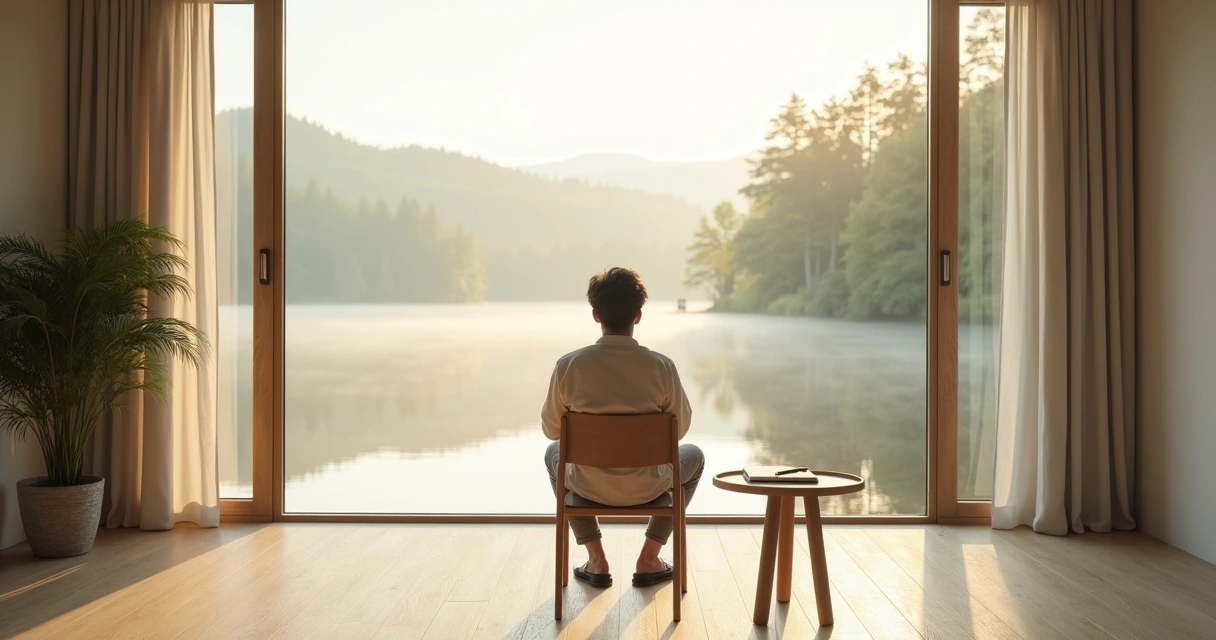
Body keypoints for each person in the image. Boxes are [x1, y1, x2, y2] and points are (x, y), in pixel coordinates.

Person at [541, 267, 704, 589]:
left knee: (552, 453)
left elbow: (551, 431)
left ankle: (596, 558)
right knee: (693, 456)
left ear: (595, 314)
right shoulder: (661, 367)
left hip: (587, 486)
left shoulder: (569, 365)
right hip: (650, 487)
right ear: (638, 315)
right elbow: (680, 431)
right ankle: (650, 556)